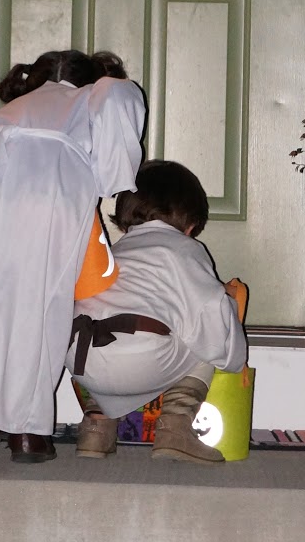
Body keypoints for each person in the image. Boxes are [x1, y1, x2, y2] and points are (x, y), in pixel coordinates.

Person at [0, 49, 146, 464]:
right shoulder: (95, 97)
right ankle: (27, 430)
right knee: (43, 311)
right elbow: (120, 104)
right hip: (54, 196)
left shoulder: (11, 111)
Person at [66, 159, 247, 464]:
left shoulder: (113, 252)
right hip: (141, 358)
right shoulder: (185, 250)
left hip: (81, 360)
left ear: (125, 220)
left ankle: (95, 427)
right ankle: (175, 427)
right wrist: (233, 348)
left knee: (108, 341)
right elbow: (209, 310)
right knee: (206, 334)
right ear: (190, 226)